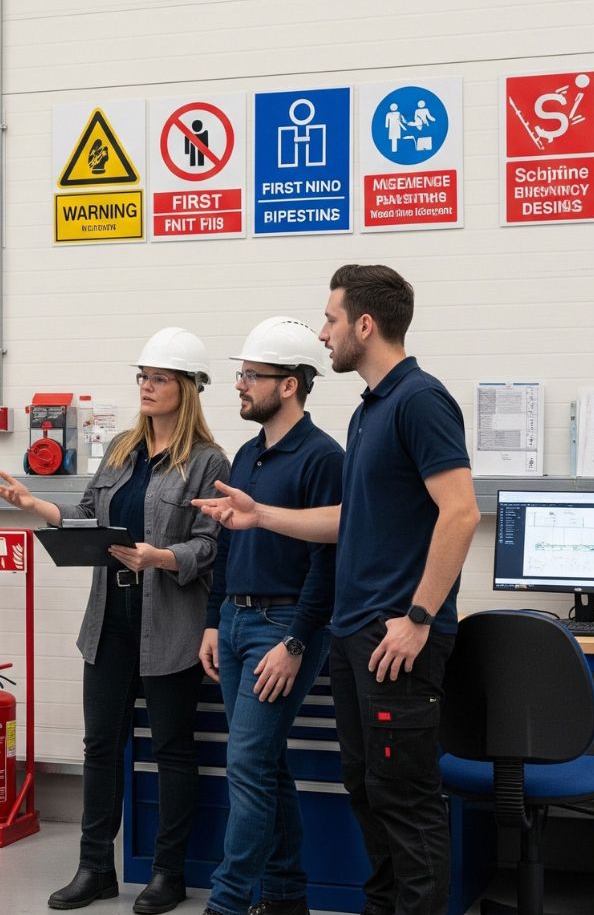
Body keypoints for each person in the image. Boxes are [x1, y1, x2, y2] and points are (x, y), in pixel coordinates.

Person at [195, 265, 480, 915]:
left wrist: (418, 617)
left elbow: (461, 511)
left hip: (396, 636)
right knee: (369, 791)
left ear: (365, 324)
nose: (322, 334)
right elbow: (352, 519)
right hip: (356, 634)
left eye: (330, 319)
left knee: (405, 800)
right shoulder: (369, 411)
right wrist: (261, 517)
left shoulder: (420, 400)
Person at [0, 327, 230, 915]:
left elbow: (211, 545)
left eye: (159, 379)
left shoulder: (207, 461)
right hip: (110, 622)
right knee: (100, 746)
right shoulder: (123, 447)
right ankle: (94, 868)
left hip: (170, 624)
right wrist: (36, 506)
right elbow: (88, 515)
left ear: (188, 388)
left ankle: (167, 874)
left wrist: (161, 557)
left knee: (172, 750)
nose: (147, 387)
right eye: (143, 377)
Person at [197, 318, 343, 915]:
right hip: (236, 622)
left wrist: (298, 642)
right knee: (264, 764)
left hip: (282, 628)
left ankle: (227, 903)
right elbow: (228, 542)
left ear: (289, 385)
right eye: (241, 373)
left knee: (248, 764)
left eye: (252, 375)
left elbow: (329, 561)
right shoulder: (247, 453)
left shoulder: (324, 458)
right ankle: (285, 898)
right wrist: (214, 619)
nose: (240, 384)